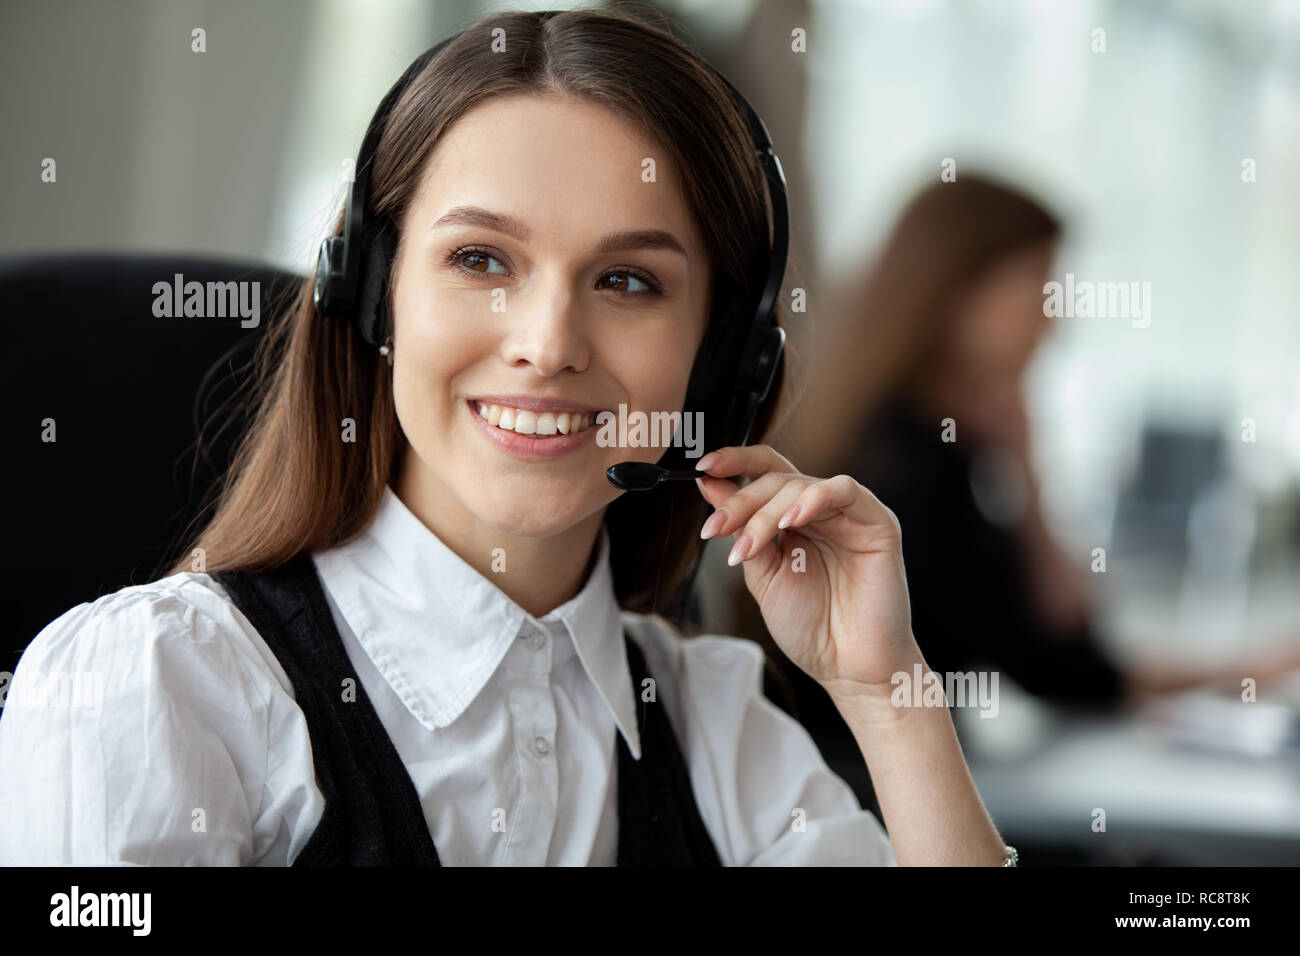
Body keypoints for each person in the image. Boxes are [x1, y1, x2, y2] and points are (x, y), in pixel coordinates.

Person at [0, 9, 1012, 866]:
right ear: (373, 298)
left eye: (627, 281)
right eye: (481, 258)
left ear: (719, 361)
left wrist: (886, 692)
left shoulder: (711, 719)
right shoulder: (157, 688)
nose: (546, 344)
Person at [786, 174, 1300, 715]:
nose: (1056, 323)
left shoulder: (943, 447)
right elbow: (1062, 668)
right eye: (1041, 288)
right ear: (960, 295)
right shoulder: (899, 467)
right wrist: (1246, 673)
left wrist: (1027, 470)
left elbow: (1067, 647)